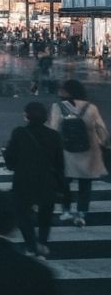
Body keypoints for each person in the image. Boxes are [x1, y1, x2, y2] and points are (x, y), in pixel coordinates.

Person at [4, 100, 66, 258]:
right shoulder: (54, 135)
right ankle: (43, 243)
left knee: (23, 214)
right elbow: (59, 162)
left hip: (24, 179)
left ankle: (31, 246)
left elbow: (10, 155)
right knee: (46, 213)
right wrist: (61, 184)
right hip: (47, 179)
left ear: (27, 116)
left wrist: (12, 165)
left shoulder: (19, 133)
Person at [47, 78, 108, 228]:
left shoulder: (58, 107)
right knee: (85, 185)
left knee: (65, 183)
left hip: (66, 150)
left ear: (67, 92)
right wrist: (102, 143)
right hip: (89, 150)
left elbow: (53, 129)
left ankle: (66, 210)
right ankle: (81, 213)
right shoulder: (91, 107)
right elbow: (101, 129)